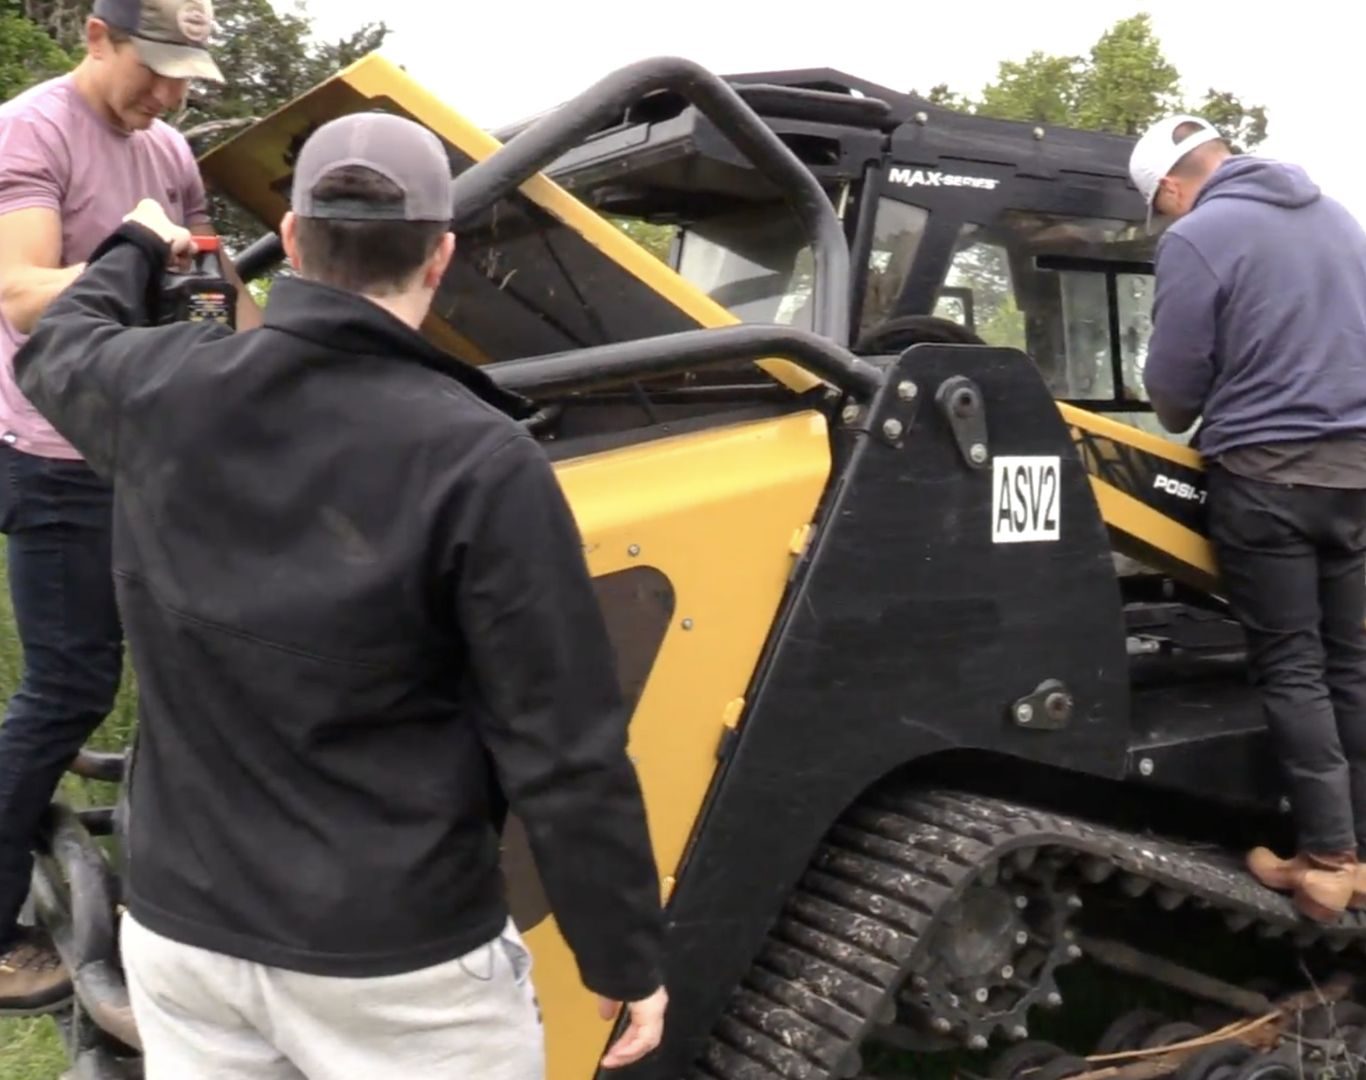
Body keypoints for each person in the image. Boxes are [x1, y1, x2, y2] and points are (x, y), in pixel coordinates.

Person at [14, 108, 669, 1077]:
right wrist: (621, 956)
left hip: (183, 936)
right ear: (440, 257)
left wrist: (134, 245)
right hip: (399, 974)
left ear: (288, 241)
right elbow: (562, 751)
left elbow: (52, 342)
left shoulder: (158, 392)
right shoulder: (482, 461)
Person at [0, 0, 258, 1013]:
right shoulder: (34, 131)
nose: (169, 93)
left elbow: (212, 277)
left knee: (179, 655)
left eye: (186, 73)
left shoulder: (171, 150)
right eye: (154, 68)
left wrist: (285, 356)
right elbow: (20, 293)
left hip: (149, 448)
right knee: (66, 688)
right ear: (96, 39)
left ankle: (174, 880)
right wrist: (131, 256)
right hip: (56, 447)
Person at [1132, 114, 1366, 923]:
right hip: (1357, 475)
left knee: (1292, 665)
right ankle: (1359, 850)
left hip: (1267, 479)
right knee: (1352, 663)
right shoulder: (1339, 218)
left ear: (1169, 187)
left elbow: (1174, 396)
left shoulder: (1200, 236)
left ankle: (1328, 861)